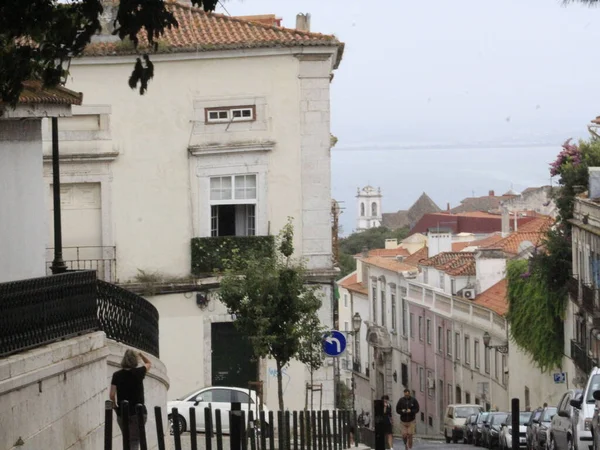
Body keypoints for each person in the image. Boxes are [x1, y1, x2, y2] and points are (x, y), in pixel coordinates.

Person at [110, 350, 152, 450]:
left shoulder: (117, 375)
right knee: (134, 441)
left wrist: (115, 407)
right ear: (134, 360)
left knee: (126, 440)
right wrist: (141, 355)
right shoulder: (140, 372)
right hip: (138, 413)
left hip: (123, 412)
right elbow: (149, 363)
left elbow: (112, 395)